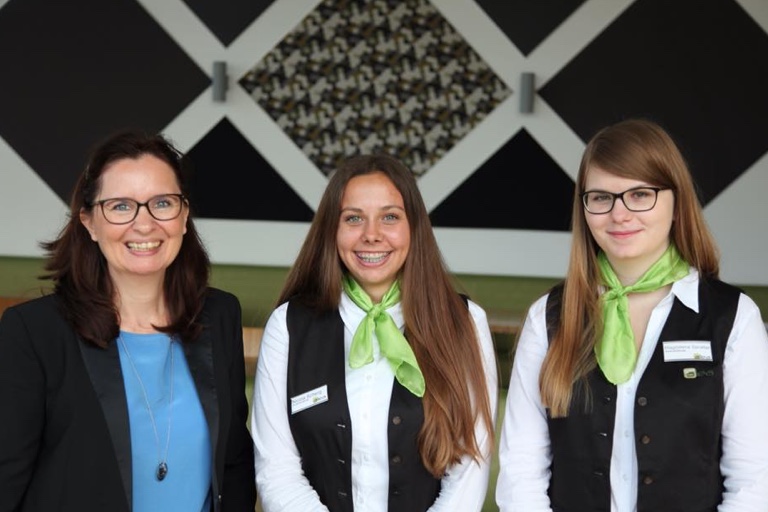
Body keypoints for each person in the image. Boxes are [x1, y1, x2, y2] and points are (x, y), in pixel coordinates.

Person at [496, 119, 768, 511]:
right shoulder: (549, 317)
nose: (619, 214)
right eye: (601, 197)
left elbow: (753, 481)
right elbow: (521, 470)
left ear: (677, 204)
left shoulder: (733, 318)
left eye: (640, 194)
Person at [0, 131, 256, 512]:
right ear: (89, 222)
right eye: (121, 206)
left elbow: (234, 464)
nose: (145, 224)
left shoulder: (220, 316)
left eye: (162, 203)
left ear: (184, 216)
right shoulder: (34, 332)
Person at [251, 153, 498, 511]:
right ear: (332, 230)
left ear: (414, 227)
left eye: (390, 217)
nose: (371, 235)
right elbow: (277, 470)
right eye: (353, 218)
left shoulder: (465, 322)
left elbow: (469, 471)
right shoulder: (287, 326)